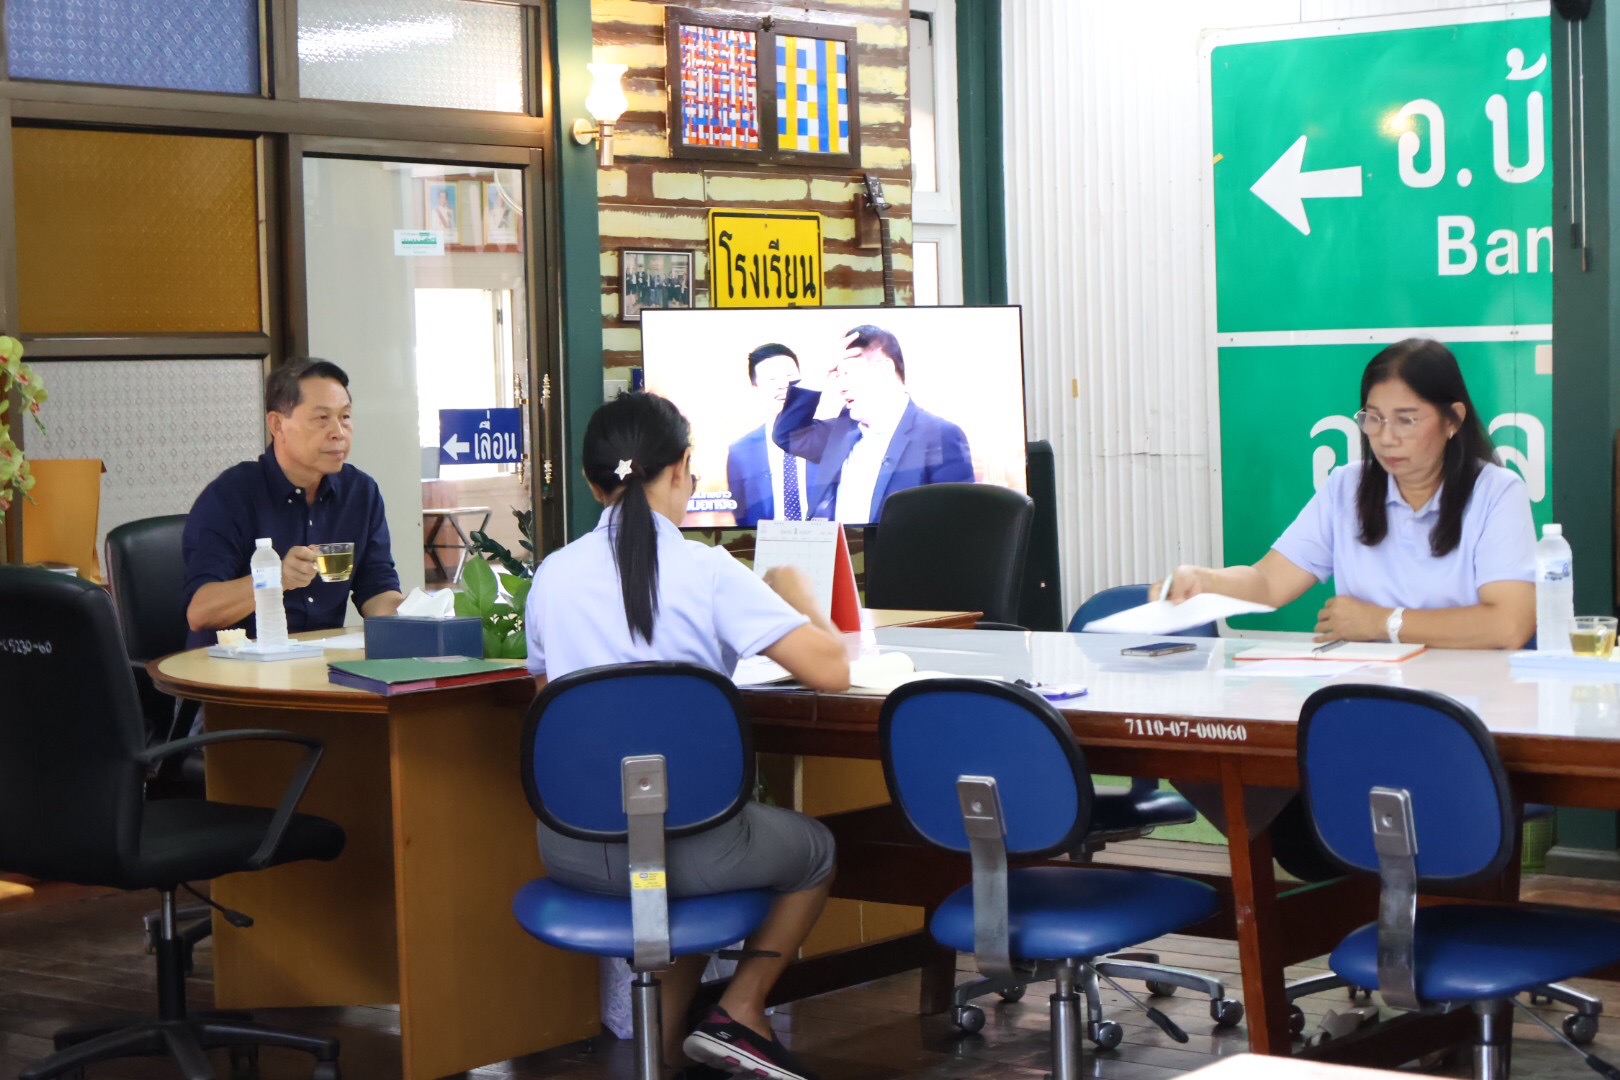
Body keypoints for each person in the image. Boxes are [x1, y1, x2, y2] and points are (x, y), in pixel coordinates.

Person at [524, 392, 848, 1080]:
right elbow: (833, 670)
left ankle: (662, 1059)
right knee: (815, 850)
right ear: (681, 470)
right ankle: (742, 1009)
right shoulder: (709, 571)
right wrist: (795, 597)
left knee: (693, 859)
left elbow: (553, 713)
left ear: (591, 483)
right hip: (699, 850)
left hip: (574, 849)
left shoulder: (552, 577)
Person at [1162, 337, 1535, 649]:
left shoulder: (1496, 492)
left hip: (1467, 696)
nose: (1386, 437)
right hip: (1367, 687)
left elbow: (1509, 625)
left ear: (1453, 419)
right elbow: (1270, 582)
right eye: (1374, 418)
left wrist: (1382, 622)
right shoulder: (1346, 487)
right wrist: (1207, 581)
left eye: (1406, 419)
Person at [183, 359, 404, 649]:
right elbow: (200, 612)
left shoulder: (360, 492)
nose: (339, 432)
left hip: (321, 663)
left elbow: (377, 588)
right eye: (322, 418)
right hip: (237, 668)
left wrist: (417, 614)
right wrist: (276, 579)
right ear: (277, 425)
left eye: (345, 417)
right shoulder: (230, 495)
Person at [772, 324, 973, 523]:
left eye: (848, 373)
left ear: (884, 369)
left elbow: (956, 525)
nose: (841, 386)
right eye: (837, 375)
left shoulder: (939, 435)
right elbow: (787, 436)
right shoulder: (841, 432)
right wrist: (818, 372)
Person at [726, 343, 817, 526]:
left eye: (789, 376)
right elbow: (742, 518)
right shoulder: (740, 452)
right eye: (772, 379)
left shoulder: (830, 437)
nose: (783, 385)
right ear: (755, 387)